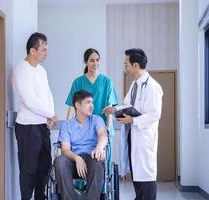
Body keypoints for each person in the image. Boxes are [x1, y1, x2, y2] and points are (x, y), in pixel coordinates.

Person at [106, 48, 163, 200]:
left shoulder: (152, 86)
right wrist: (114, 109)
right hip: (133, 137)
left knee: (146, 180)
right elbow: (126, 105)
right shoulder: (135, 85)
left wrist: (133, 120)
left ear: (135, 65)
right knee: (138, 180)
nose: (125, 67)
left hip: (144, 139)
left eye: (126, 64)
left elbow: (155, 114)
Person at [12, 32, 57, 200]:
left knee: (44, 166)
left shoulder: (41, 70)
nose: (46, 52)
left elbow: (48, 95)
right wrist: (51, 114)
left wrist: (50, 117)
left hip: (42, 126)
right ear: (32, 50)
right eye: (43, 49)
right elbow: (29, 100)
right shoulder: (21, 70)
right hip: (27, 126)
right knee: (28, 168)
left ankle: (40, 197)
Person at [54, 90, 108, 200]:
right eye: (88, 102)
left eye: (92, 102)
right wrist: (77, 158)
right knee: (59, 161)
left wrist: (99, 148)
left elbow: (103, 135)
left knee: (97, 163)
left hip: (92, 158)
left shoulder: (97, 120)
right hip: (73, 161)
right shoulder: (67, 125)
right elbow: (65, 150)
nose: (91, 106)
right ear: (77, 105)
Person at [65, 48, 118, 145]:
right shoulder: (78, 82)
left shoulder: (107, 82)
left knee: (102, 157)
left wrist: (108, 128)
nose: (95, 63)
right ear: (86, 62)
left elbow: (109, 108)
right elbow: (72, 107)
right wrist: (67, 128)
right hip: (83, 129)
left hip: (102, 128)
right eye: (92, 60)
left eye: (97, 60)